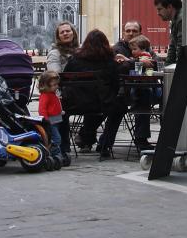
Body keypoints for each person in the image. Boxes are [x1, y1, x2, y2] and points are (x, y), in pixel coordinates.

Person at [63, 29, 125, 159]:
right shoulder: (109, 62)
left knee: (92, 103)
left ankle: (66, 146)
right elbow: (115, 85)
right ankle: (105, 144)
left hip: (74, 104)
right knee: (119, 107)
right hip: (101, 104)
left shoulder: (74, 60)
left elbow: (64, 80)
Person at [113, 21, 155, 151]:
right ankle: (141, 140)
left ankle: (169, 138)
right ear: (123, 32)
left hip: (142, 87)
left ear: (140, 33)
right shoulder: (117, 49)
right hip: (121, 90)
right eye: (128, 30)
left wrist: (149, 63)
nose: (131, 33)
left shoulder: (145, 46)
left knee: (151, 94)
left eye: (134, 31)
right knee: (143, 95)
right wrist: (139, 62)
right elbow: (120, 68)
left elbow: (154, 63)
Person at [47, 22, 79, 159]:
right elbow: (54, 75)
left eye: (68, 31)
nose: (65, 33)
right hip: (64, 95)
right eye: (62, 32)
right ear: (58, 37)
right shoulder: (55, 53)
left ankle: (86, 136)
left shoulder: (82, 51)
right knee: (59, 108)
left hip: (83, 94)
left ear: (73, 33)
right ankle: (62, 147)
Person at [37, 70, 68, 166]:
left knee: (57, 137)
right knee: (56, 138)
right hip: (50, 121)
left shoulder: (52, 94)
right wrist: (45, 119)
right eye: (54, 85)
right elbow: (42, 109)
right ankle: (55, 153)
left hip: (56, 119)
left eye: (56, 84)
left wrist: (60, 111)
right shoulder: (45, 95)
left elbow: (55, 105)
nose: (56, 86)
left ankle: (56, 152)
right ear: (46, 85)